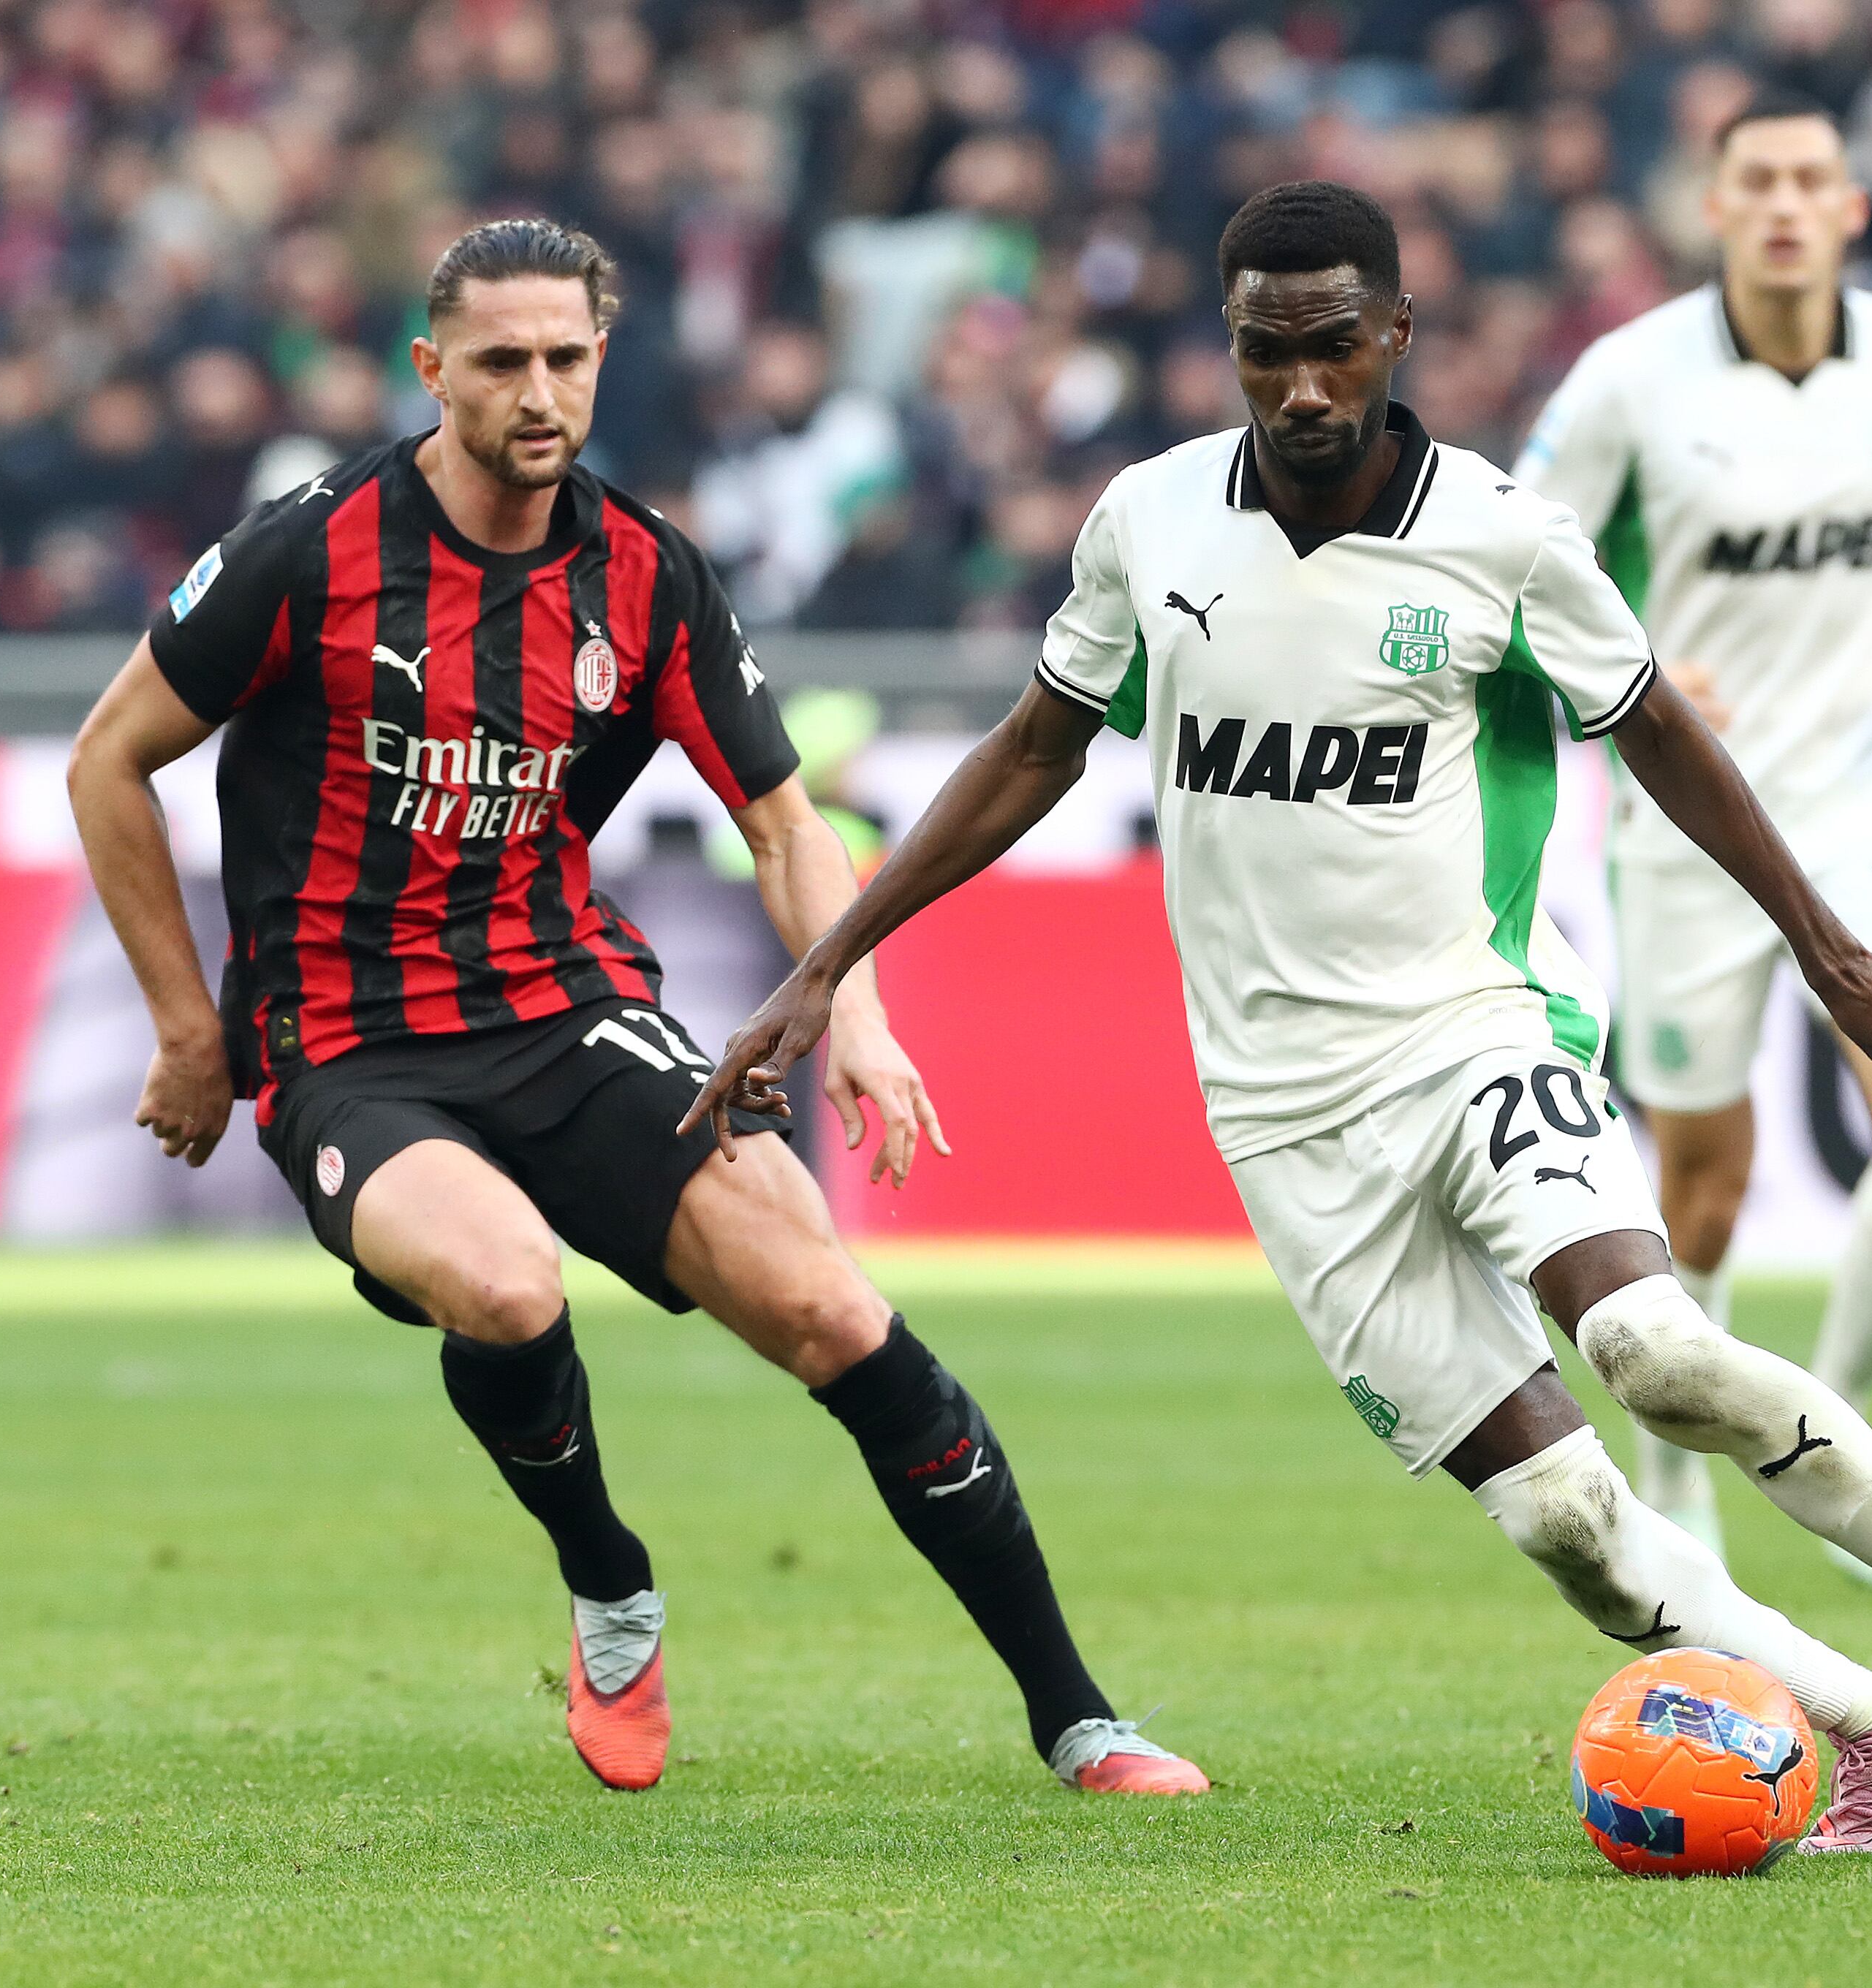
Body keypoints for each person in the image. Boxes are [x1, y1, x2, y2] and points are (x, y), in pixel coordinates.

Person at [686, 182, 1872, 1856]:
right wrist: (825, 961)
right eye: (1265, 352)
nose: (1299, 388)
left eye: (1332, 347)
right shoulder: (1146, 522)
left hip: (1473, 1027)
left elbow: (1654, 732)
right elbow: (1027, 752)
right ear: (1228, 345)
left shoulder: (1497, 534)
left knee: (1650, 1348)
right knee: (1566, 1520)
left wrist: (1827, 950)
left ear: (1392, 338)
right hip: (1281, 1118)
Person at [64, 219, 1204, 1799]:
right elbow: (106, 757)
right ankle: (608, 1575)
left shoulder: (645, 571)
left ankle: (1080, 1718)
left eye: (567, 358)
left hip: (563, 1005)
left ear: (600, 360)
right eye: (502, 361)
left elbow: (788, 822)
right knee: (507, 1283)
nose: (539, 391)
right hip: (346, 1042)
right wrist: (191, 1030)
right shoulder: (307, 550)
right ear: (430, 370)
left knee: (827, 1307)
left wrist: (850, 1012)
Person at [1513, 94, 1872, 1574]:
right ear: (1712, 208)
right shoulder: (1627, 382)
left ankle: (1829, 1432)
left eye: (1809, 181)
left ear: (1852, 208)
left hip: (1860, 801)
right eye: (1755, 182)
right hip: (1688, 826)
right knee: (1702, 1182)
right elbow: (1519, 550)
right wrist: (1636, 646)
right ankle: (1685, 1476)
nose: (1784, 204)